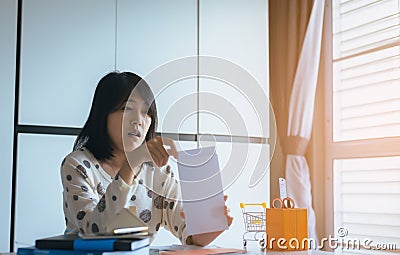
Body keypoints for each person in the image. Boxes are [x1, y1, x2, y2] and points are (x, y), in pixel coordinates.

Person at [61, 71, 233, 246]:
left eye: (146, 112)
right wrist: (131, 163)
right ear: (103, 114)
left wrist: (208, 228)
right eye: (126, 108)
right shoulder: (78, 165)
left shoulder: (157, 171)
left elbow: (186, 230)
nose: (138, 120)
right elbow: (95, 231)